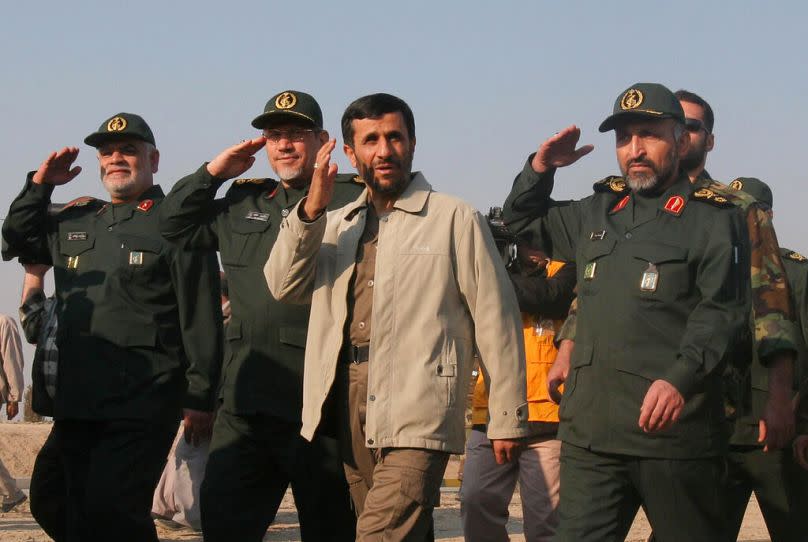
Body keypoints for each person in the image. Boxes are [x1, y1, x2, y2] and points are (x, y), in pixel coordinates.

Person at [264, 92, 530, 540]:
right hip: (348, 401)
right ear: (350, 152)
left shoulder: (453, 217)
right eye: (370, 140)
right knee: (402, 532)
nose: (384, 150)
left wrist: (507, 415)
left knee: (379, 533)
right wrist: (310, 209)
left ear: (412, 143)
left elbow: (495, 318)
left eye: (394, 137)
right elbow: (283, 285)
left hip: (420, 400)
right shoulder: (336, 222)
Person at [502, 83, 752, 541]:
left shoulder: (715, 220)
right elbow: (518, 223)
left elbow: (722, 314)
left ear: (680, 141)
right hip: (591, 434)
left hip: (674, 435)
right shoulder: (597, 212)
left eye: (648, 135)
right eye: (624, 138)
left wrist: (680, 380)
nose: (634, 149)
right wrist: (542, 168)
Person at [1, 112, 223, 542]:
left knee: (112, 506)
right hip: (78, 398)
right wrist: (40, 185)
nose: (115, 159)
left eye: (128, 150)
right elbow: (16, 239)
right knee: (51, 496)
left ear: (153, 159)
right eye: (106, 152)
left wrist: (200, 394)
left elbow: (201, 314)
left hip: (143, 399)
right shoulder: (78, 218)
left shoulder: (174, 223)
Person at [158, 90, 359, 541]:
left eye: (296, 134)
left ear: (322, 140)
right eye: (274, 135)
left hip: (321, 403)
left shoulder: (353, 199)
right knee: (226, 524)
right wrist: (213, 173)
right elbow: (172, 226)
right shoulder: (242, 200)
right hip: (246, 401)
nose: (284, 145)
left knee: (331, 528)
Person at [460, 236, 575, 542]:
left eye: (541, 237)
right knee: (474, 500)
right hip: (493, 412)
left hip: (549, 415)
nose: (534, 247)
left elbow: (553, 296)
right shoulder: (492, 266)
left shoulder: (568, 269)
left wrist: (491, 280)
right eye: (525, 240)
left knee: (545, 522)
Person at [729, 177, 808, 540]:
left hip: (780, 437)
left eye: (751, 210)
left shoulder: (798, 273)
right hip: (721, 435)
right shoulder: (717, 268)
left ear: (769, 215)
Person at [0, 313, 26, 513]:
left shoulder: (4, 323)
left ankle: (11, 492)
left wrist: (14, 396)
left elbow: (12, 359)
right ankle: (11, 492)